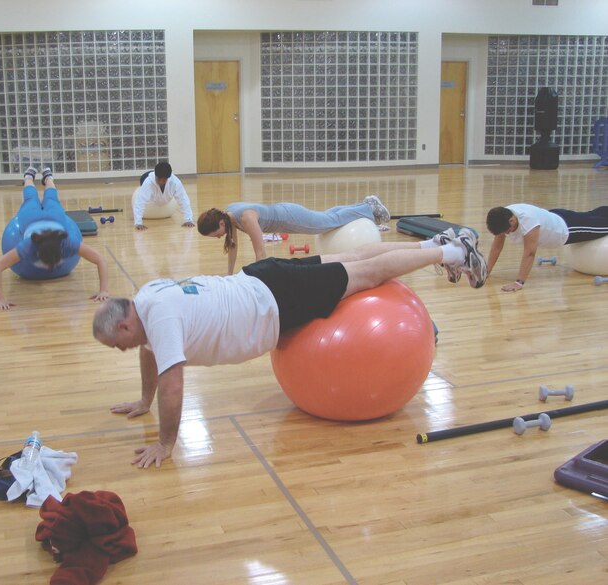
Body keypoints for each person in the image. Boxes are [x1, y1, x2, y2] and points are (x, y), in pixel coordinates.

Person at [92, 228, 487, 468]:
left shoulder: (159, 321)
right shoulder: (147, 297)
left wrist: (165, 444)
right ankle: (435, 244)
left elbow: (173, 386)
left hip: (277, 301)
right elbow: (148, 351)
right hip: (261, 278)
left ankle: (456, 253)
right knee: (350, 258)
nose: (121, 350)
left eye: (117, 344)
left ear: (126, 324)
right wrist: (144, 400)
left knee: (365, 274)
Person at [0, 167, 109, 310]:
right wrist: (0, 299)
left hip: (54, 216)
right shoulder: (29, 245)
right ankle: (29, 176)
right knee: (31, 197)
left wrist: (104, 290)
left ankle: (47, 177)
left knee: (49, 197)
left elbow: (100, 260)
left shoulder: (66, 242)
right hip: (30, 217)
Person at [196, 196, 390, 274]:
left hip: (289, 217)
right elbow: (232, 247)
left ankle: (369, 208)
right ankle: (364, 205)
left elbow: (260, 253)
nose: (218, 237)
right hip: (285, 213)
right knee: (327, 219)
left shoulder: (245, 218)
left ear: (221, 223)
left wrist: (258, 279)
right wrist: (229, 275)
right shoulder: (229, 215)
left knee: (327, 222)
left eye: (216, 234)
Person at [486, 204, 608, 292]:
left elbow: (529, 253)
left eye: (507, 231)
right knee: (592, 216)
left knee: (602, 223)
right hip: (556, 216)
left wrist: (519, 283)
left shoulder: (527, 221)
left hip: (568, 228)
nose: (506, 234)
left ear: (512, 220)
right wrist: (486, 272)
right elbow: (496, 247)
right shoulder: (503, 216)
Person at [132, 162, 195, 230]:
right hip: (145, 177)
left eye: (164, 180)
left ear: (168, 177)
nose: (161, 182)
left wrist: (188, 219)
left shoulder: (175, 182)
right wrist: (138, 222)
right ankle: (151, 173)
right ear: (156, 176)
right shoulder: (148, 182)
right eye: (158, 179)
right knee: (144, 180)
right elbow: (140, 202)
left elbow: (183, 199)